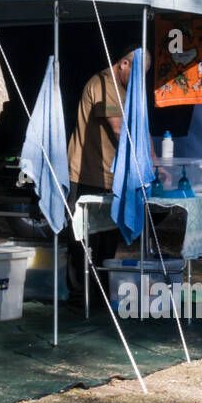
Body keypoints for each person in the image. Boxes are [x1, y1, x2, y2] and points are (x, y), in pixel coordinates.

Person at [63, 42, 146, 307]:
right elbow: (119, 130)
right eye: (137, 74)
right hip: (86, 173)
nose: (139, 82)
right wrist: (140, 162)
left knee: (107, 240)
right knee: (83, 241)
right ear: (124, 64)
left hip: (111, 176)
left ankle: (99, 296)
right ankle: (80, 298)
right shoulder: (104, 82)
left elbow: (141, 127)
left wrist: (153, 164)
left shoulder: (128, 88)